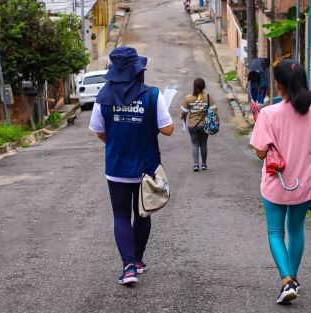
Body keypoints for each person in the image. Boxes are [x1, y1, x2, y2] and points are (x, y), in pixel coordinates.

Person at [89, 46, 174, 285]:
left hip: (116, 168)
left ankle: (128, 268)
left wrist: (118, 138)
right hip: (146, 168)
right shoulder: (152, 95)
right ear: (138, 71)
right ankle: (136, 260)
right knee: (143, 213)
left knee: (121, 216)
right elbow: (168, 130)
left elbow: (99, 132)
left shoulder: (103, 97)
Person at [249, 60, 311, 304]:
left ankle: (286, 281)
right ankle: (293, 278)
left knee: (275, 232)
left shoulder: (268, 114)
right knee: (296, 230)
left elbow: (261, 153)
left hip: (276, 184)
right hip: (305, 184)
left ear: (278, 86)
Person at [181, 78, 216, 172]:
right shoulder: (208, 97)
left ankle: (196, 165)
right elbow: (214, 110)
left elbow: (183, 113)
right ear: (203, 86)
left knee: (194, 144)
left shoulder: (188, 98)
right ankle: (204, 164)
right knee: (204, 144)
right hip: (205, 125)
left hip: (192, 125)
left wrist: (183, 118)